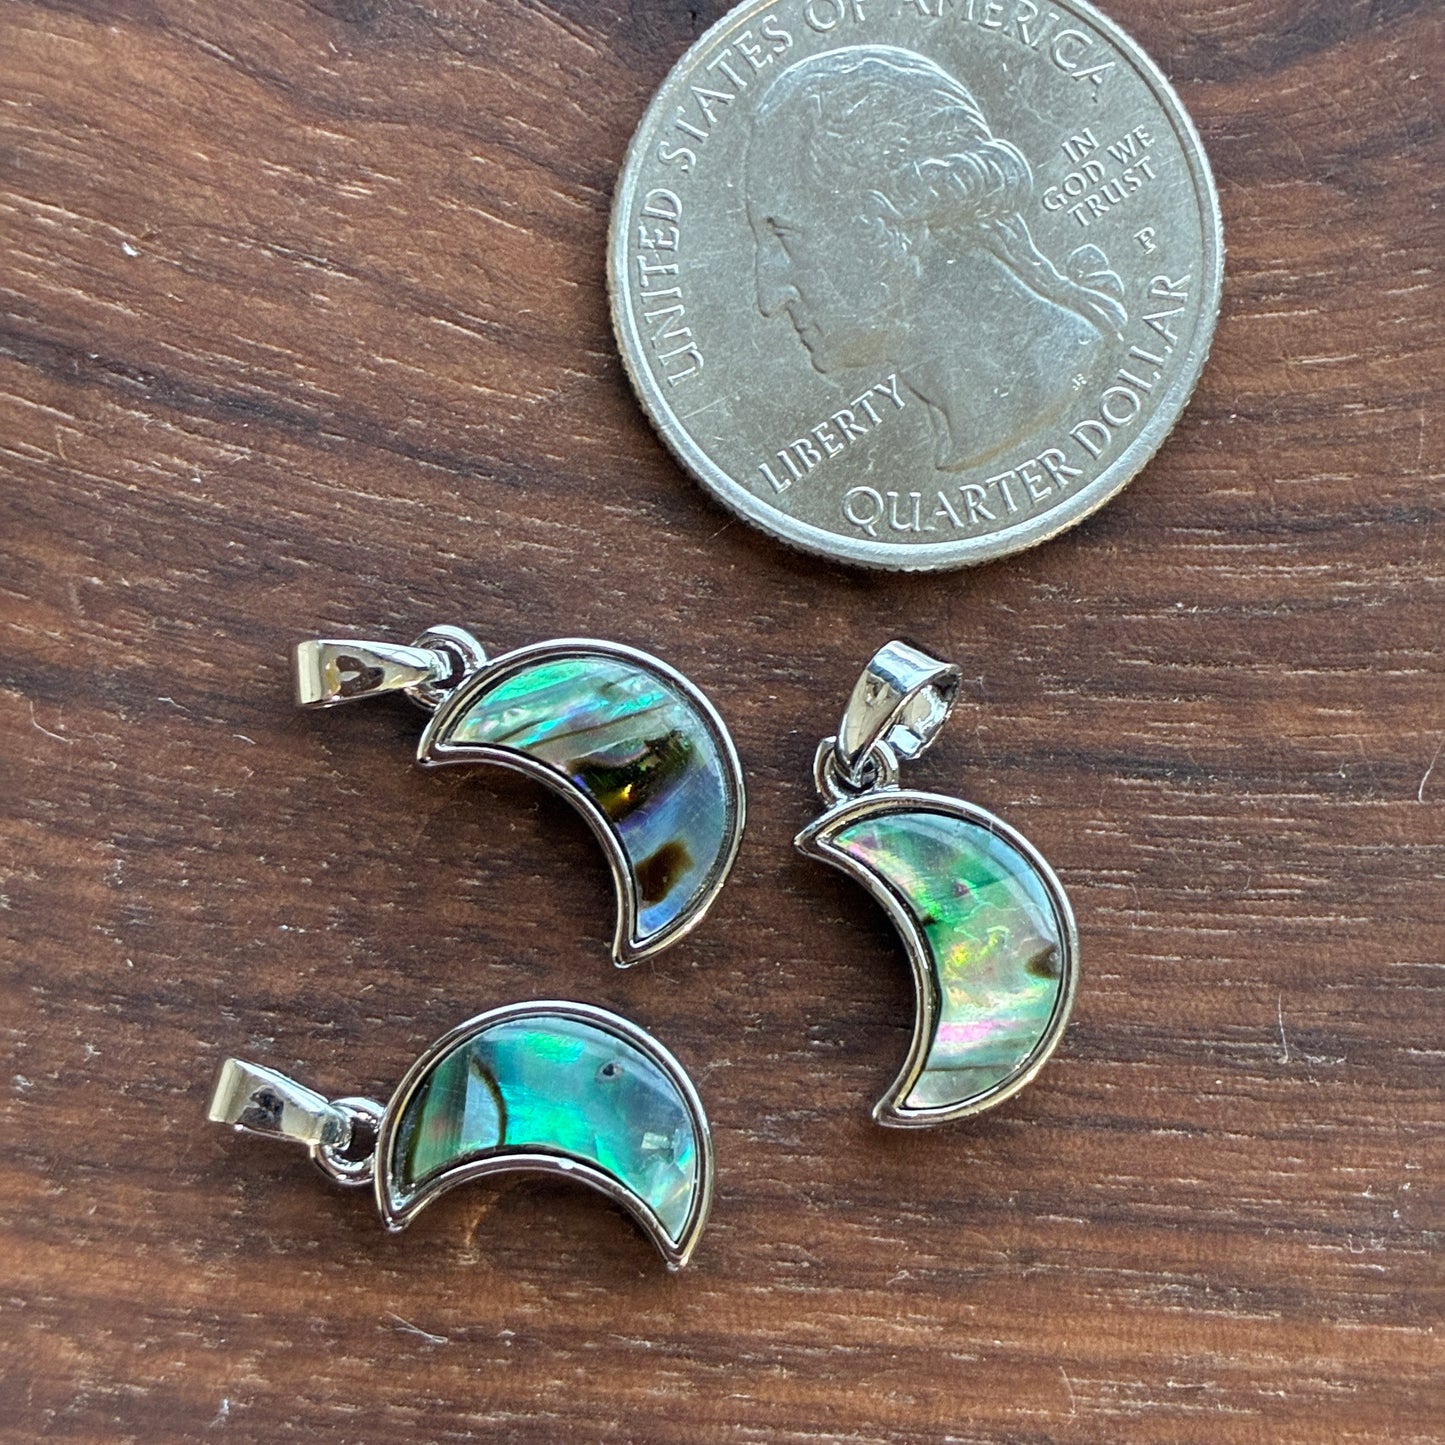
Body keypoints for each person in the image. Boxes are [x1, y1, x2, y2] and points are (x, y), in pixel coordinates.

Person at [746, 45, 1128, 472]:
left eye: (784, 236)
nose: (769, 296)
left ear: (899, 212)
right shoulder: (978, 418)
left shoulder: (1043, 382)